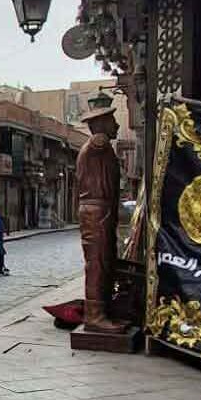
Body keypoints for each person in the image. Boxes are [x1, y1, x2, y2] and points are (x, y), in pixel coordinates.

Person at [77, 105, 126, 333]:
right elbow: (99, 139)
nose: (116, 125)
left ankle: (103, 311)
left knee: (104, 261)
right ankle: (94, 316)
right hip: (96, 210)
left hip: (100, 209)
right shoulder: (99, 142)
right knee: (97, 263)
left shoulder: (100, 146)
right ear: (100, 124)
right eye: (111, 121)